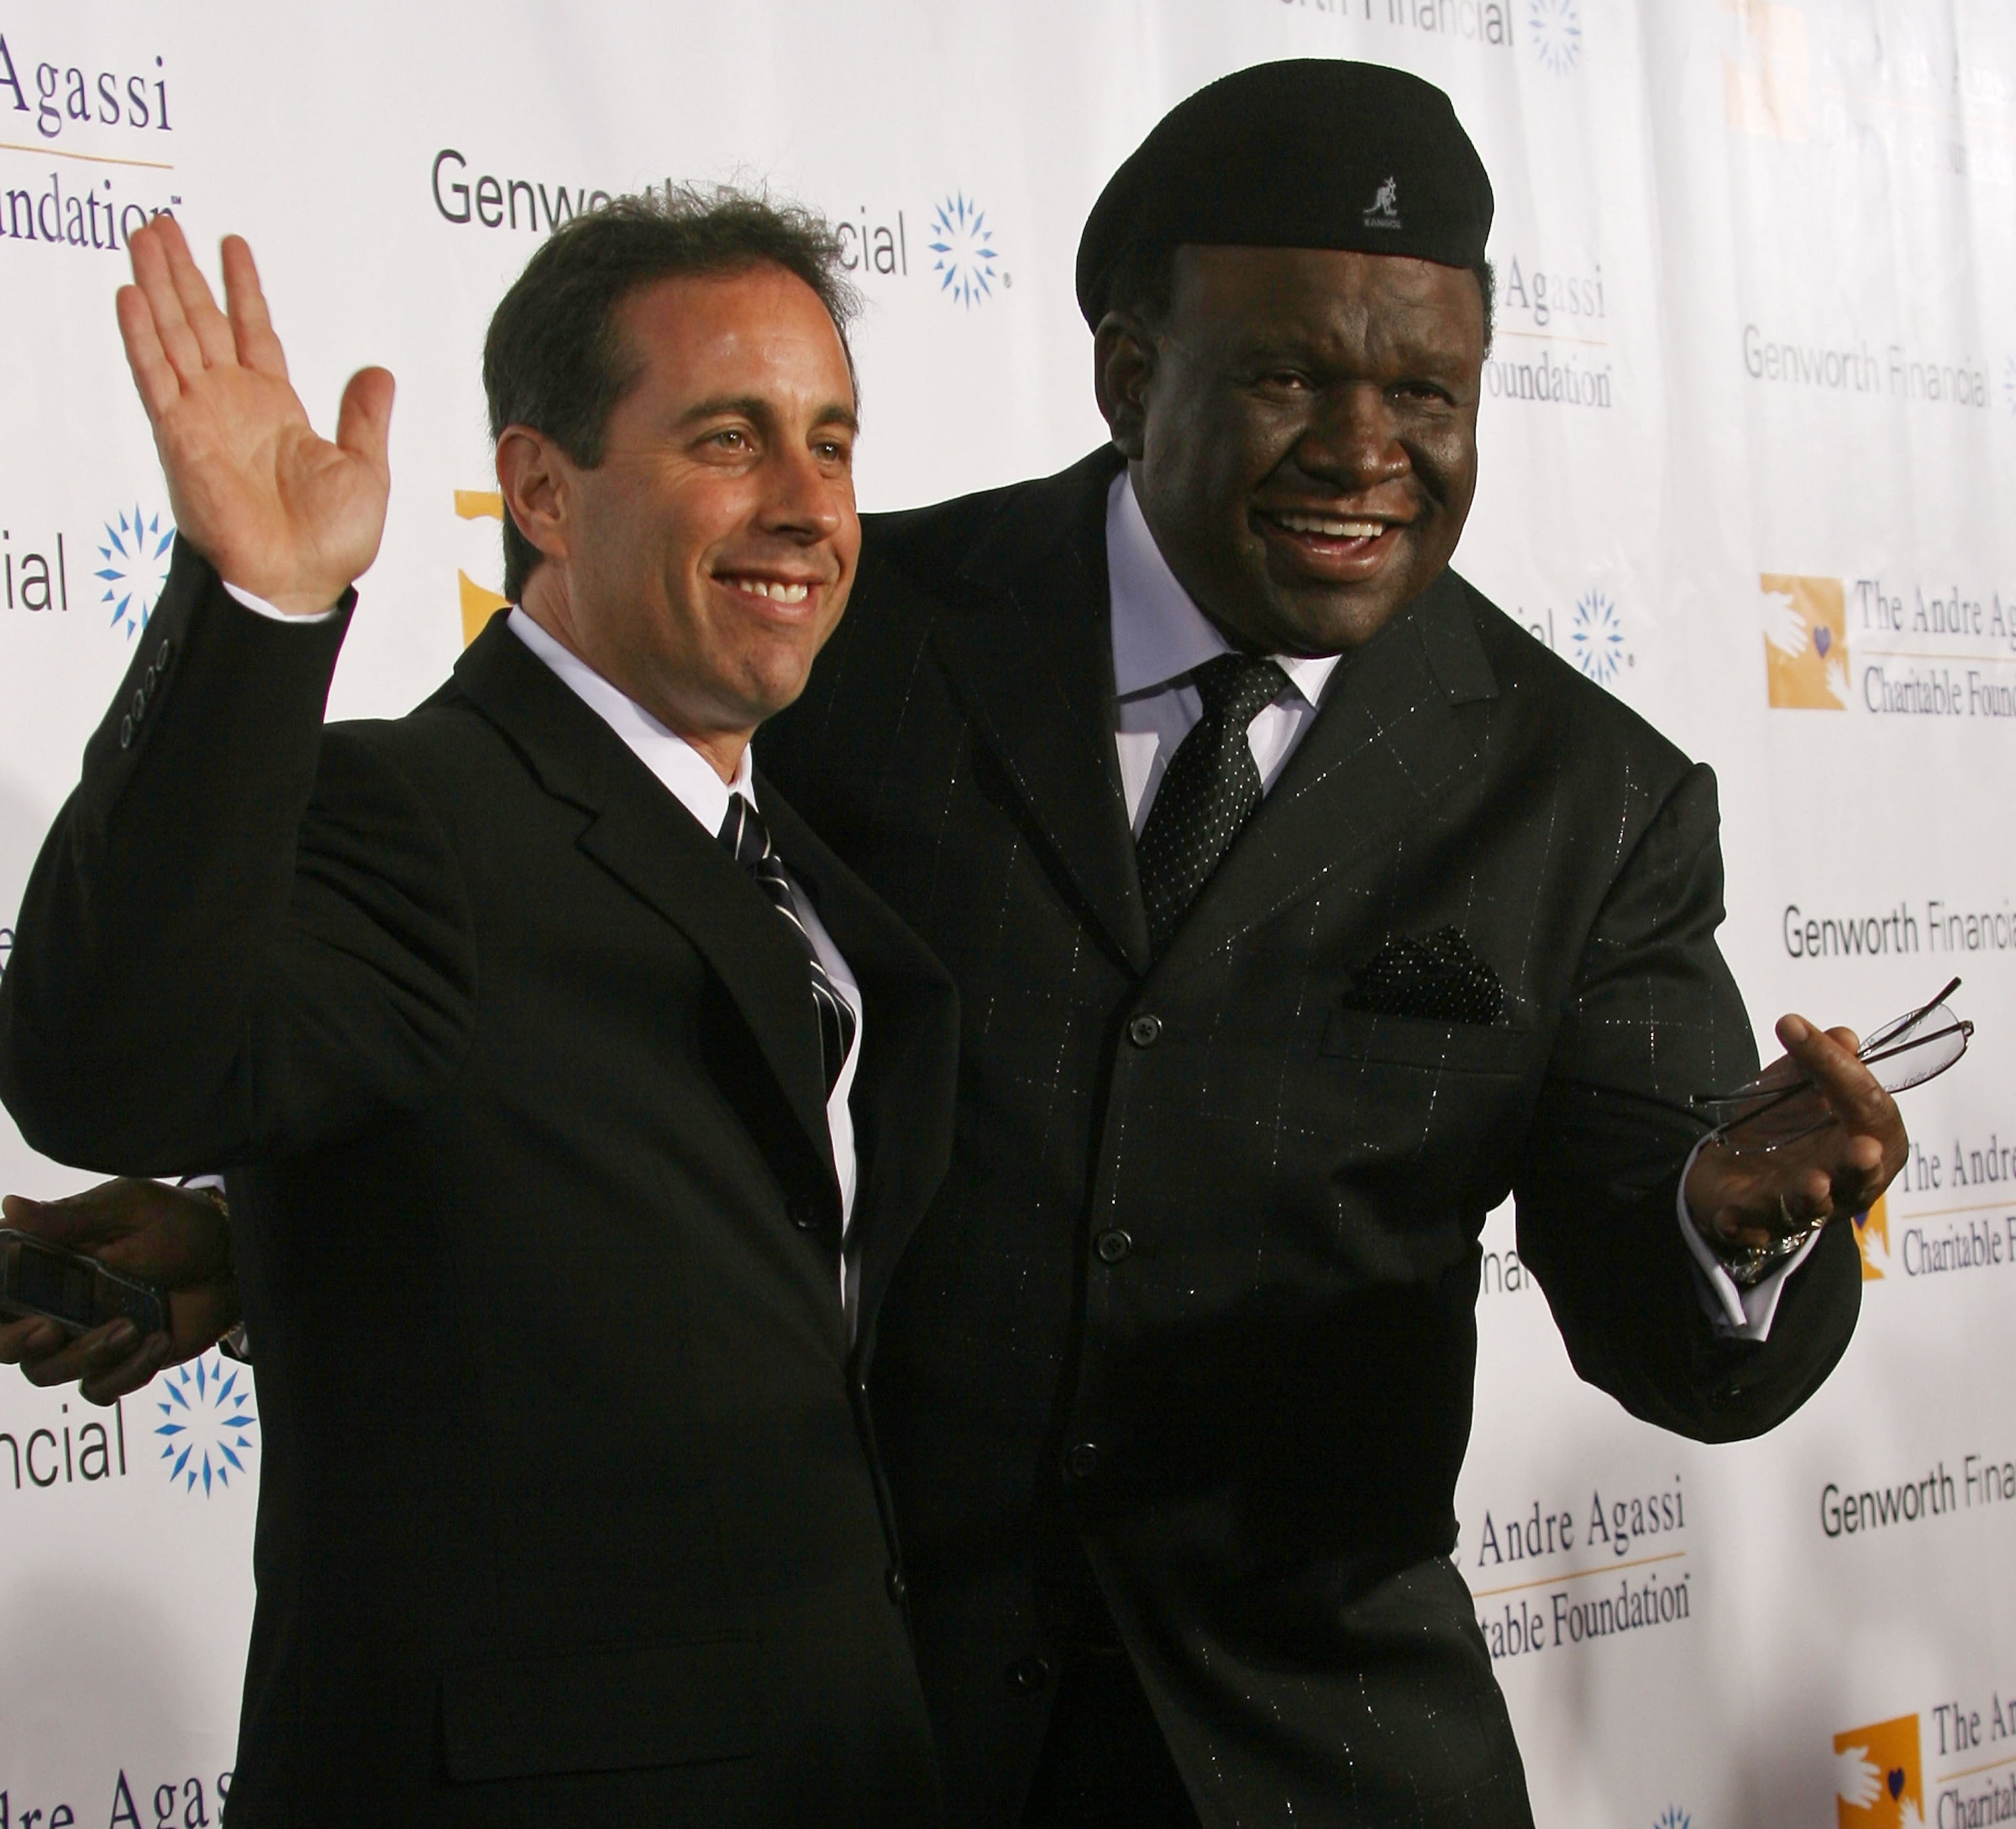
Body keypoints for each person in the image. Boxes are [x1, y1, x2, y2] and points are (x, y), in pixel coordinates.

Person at [3, 59, 1904, 1829]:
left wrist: (1730, 1222)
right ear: (1130, 368)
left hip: (1309, 1760)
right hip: (857, 1737)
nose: (1367, 450)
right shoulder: (831, 626)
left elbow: (1683, 1319)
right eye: (1292, 380)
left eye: (1428, 396)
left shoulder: (1588, 791)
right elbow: (561, 962)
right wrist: (312, 1228)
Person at [0, 193, 958, 1825]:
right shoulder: (406, 813)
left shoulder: (816, 877)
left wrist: (269, 1230)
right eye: (731, 438)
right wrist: (259, 610)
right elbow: (105, 1064)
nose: (805, 503)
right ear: (538, 488)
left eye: (832, 442)